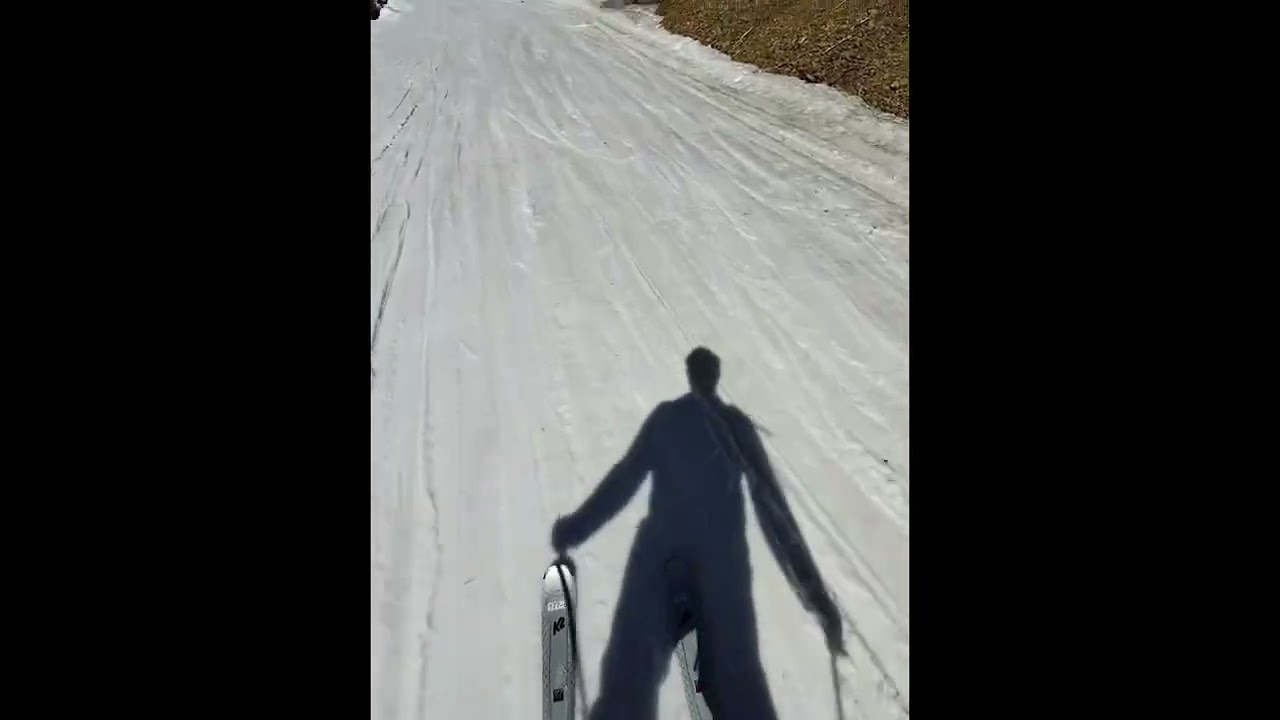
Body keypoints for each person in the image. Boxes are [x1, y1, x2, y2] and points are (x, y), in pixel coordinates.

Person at [551, 347, 842, 720]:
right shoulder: (735, 427)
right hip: (720, 572)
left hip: (660, 565)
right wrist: (815, 595)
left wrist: (574, 530)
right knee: (738, 686)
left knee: (630, 676)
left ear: (690, 376)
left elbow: (623, 482)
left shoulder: (667, 419)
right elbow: (775, 514)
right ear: (714, 377)